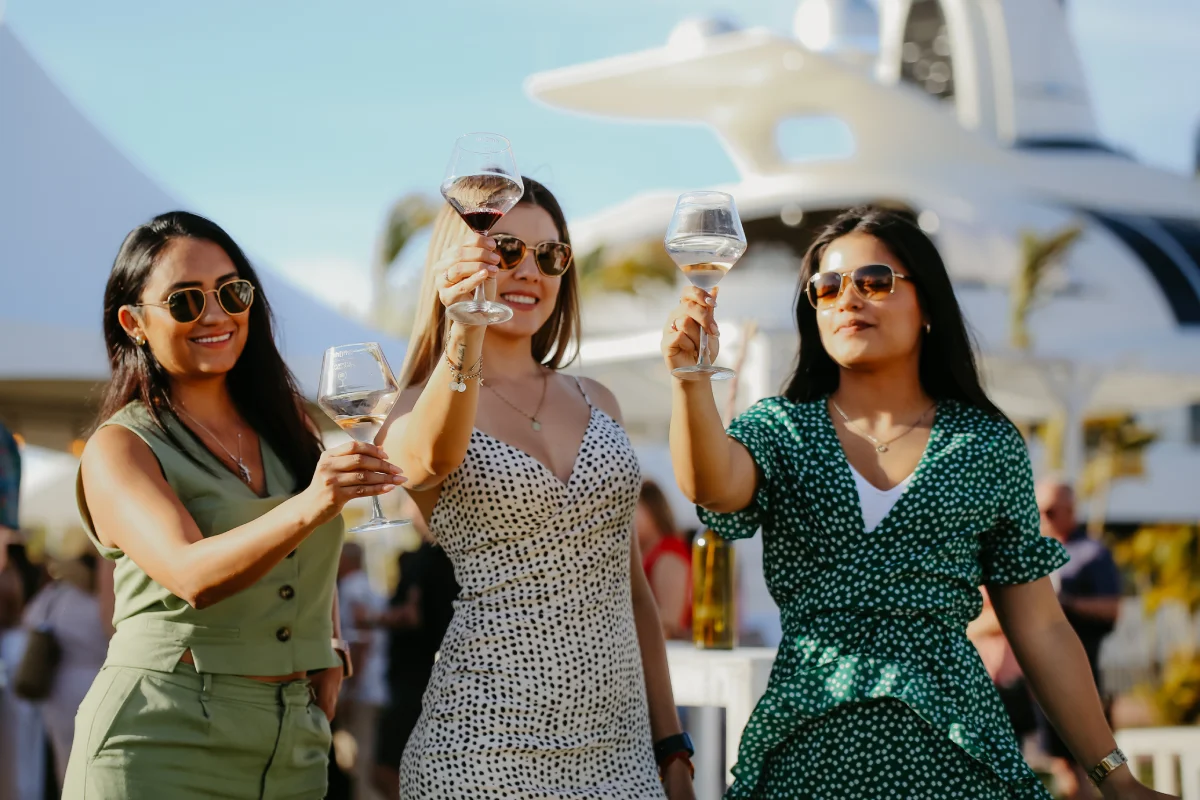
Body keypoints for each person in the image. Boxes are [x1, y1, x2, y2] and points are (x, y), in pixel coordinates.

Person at [663, 206, 1174, 799]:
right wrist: (690, 381)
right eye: (826, 289)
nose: (848, 299)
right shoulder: (782, 430)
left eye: (874, 281)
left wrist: (1116, 778)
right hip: (811, 754)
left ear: (926, 304)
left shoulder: (984, 444)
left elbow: (1040, 627)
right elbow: (711, 486)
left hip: (958, 759)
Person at [66, 211, 405, 799]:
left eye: (232, 292)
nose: (217, 314)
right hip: (159, 740)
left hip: (292, 745)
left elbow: (309, 552)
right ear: (133, 323)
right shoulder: (120, 446)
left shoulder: (286, 425)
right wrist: (317, 501)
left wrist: (330, 644)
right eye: (185, 301)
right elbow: (190, 572)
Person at [383, 179, 694, 799]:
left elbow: (633, 595)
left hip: (621, 753)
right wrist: (465, 323)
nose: (529, 271)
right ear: (461, 262)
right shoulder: (410, 411)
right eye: (505, 252)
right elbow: (429, 459)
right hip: (479, 749)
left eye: (549, 256)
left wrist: (672, 750)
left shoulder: (597, 400)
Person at [1035, 477, 1123, 800]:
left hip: (1082, 677)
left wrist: (1065, 602)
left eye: (1047, 510)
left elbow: (1113, 609)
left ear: (1069, 509)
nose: (1041, 517)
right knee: (1065, 771)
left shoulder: (1092, 553)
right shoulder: (1033, 552)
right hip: (1037, 684)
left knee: (1098, 766)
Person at [370, 526, 458, 799]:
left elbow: (413, 615)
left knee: (390, 770)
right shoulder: (443, 556)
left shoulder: (432, 558)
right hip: (420, 675)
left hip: (418, 677)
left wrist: (369, 619)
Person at [22, 552, 111, 792]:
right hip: (101, 682)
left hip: (62, 688)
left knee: (66, 761)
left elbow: (29, 619)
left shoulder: (55, 597)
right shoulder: (104, 601)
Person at [335, 541, 389, 800]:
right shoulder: (371, 586)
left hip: (362, 690)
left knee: (359, 764)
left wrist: (349, 688)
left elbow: (360, 641)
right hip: (377, 685)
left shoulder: (351, 588)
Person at [636, 480, 692, 641]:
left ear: (653, 510)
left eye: (633, 508)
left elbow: (670, 623)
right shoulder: (651, 554)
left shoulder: (668, 555)